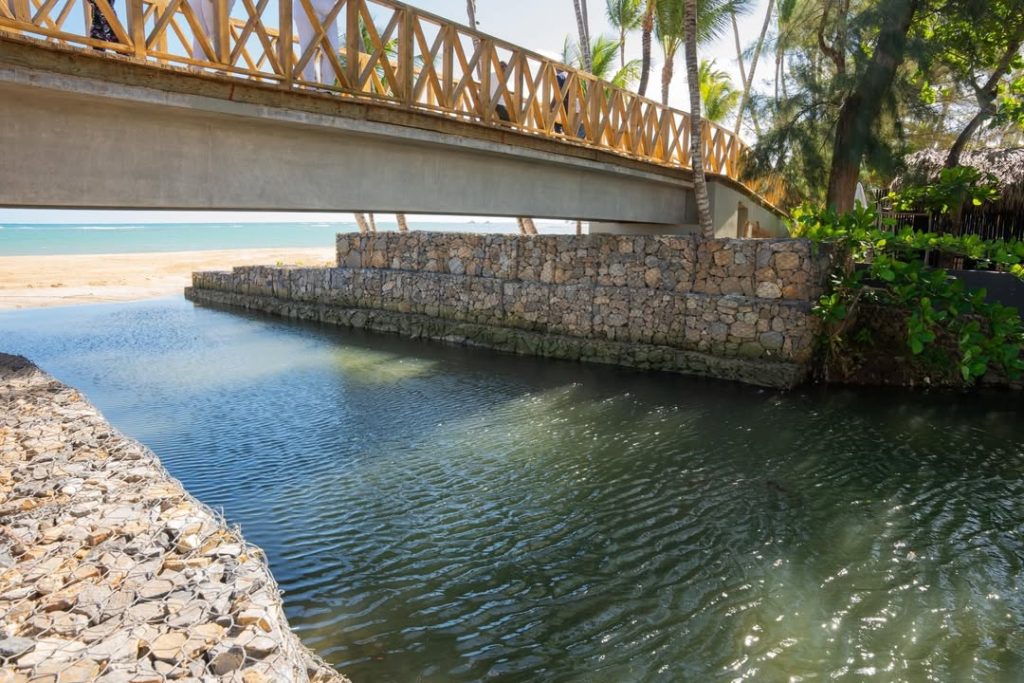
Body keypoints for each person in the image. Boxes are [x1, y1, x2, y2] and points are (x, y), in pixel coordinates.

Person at [294, 0, 340, 85]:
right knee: (308, 48)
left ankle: (327, 86)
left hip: (329, 10)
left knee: (334, 50)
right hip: (306, 5)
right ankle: (310, 85)